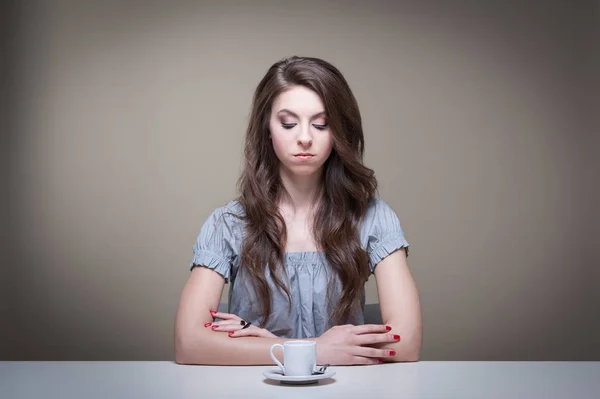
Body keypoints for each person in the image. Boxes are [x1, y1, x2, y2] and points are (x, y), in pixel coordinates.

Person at [174, 56, 422, 366]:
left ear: (340, 131)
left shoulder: (373, 216)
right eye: (289, 123)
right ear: (267, 127)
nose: (304, 137)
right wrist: (315, 349)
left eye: (321, 124)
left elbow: (407, 343)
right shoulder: (228, 223)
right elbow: (188, 342)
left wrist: (277, 346)